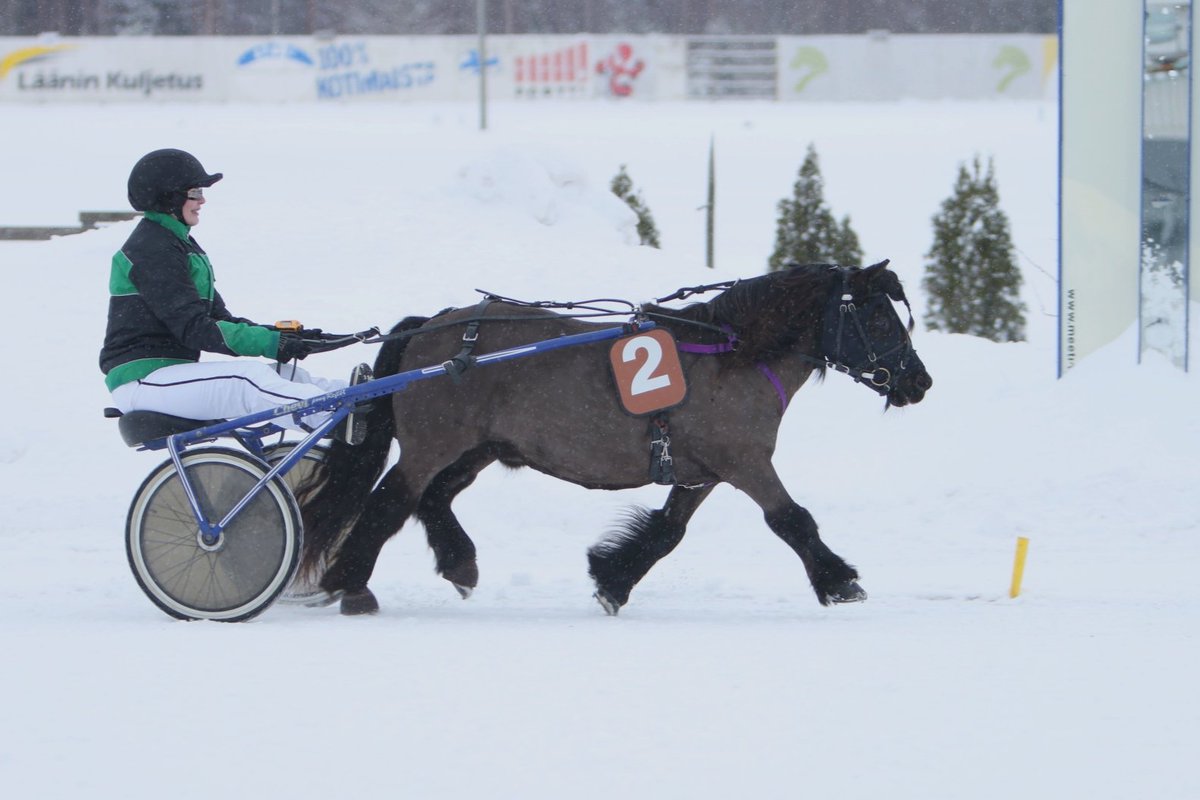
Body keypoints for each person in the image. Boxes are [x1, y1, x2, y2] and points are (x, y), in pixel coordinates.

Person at [100, 148, 370, 444]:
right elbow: (196, 330)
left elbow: (220, 321)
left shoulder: (179, 245)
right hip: (142, 380)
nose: (202, 200)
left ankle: (362, 400)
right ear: (169, 197)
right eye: (194, 192)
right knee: (247, 380)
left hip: (169, 376)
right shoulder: (152, 250)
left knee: (287, 376)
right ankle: (337, 415)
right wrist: (272, 343)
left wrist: (291, 337)